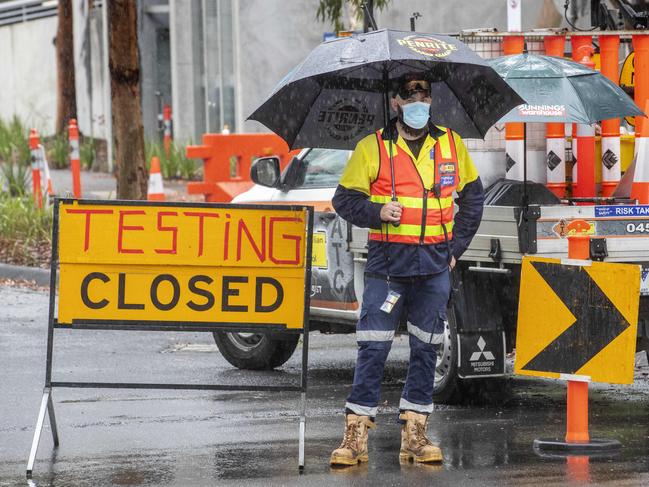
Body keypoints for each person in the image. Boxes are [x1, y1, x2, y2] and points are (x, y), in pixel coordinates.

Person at [329, 75, 485, 466]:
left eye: (425, 94)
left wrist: (456, 249)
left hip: (434, 266)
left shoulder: (450, 144)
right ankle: (355, 436)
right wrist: (376, 212)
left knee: (426, 350)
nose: (419, 100)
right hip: (388, 266)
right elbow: (344, 200)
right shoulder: (374, 148)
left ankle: (415, 435)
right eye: (411, 95)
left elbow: (474, 198)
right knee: (374, 347)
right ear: (396, 102)